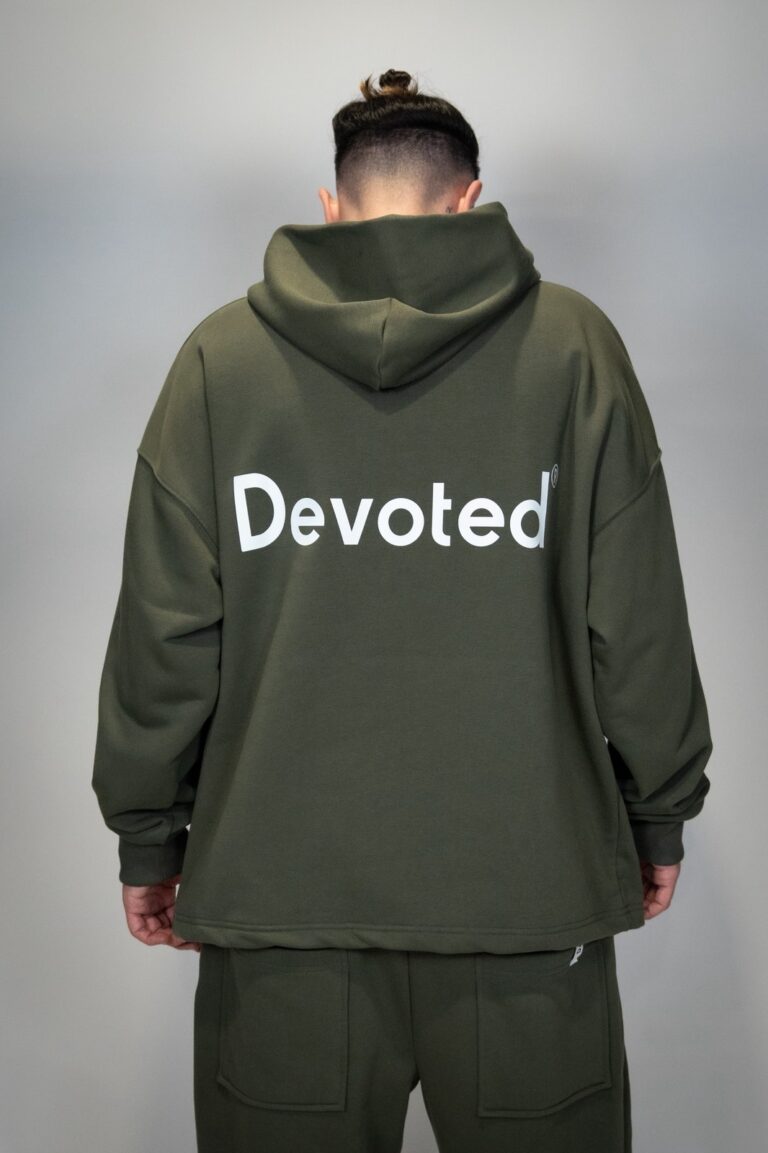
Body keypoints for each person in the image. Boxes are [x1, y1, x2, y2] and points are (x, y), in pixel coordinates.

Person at [92, 69, 713, 1153]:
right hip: (528, 906)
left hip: (283, 913)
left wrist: (150, 839)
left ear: (332, 210)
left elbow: (165, 637)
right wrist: (658, 810)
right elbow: (639, 618)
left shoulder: (219, 364)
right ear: (469, 201)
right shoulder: (575, 351)